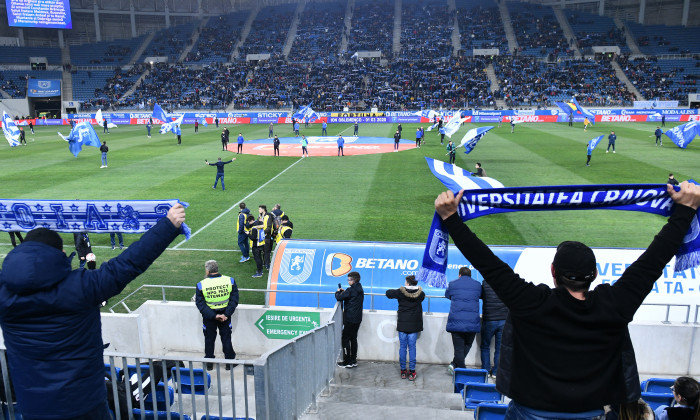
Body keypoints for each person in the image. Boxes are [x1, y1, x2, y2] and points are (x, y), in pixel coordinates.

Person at [433, 183, 700, 418]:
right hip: (590, 414)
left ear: (553, 272)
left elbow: (487, 264)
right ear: (594, 275)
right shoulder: (615, 304)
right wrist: (685, 211)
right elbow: (653, 261)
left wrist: (451, 218)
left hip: (529, 413)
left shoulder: (530, 301)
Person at [0, 204, 186, 420]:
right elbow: (129, 263)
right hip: (84, 404)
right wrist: (169, 225)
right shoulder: (83, 286)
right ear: (59, 254)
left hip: (33, 407)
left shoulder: (4, 295)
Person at [195, 260, 239, 370]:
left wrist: (214, 316)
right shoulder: (230, 280)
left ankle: (209, 363)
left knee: (209, 339)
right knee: (226, 338)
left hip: (209, 317)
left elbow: (200, 304)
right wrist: (226, 314)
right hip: (225, 316)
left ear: (208, 270)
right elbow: (234, 300)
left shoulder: (201, 284)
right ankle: (229, 362)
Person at [385, 275, 424, 381]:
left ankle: (403, 371)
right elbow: (422, 297)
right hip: (414, 325)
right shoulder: (421, 294)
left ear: (407, 283)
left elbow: (388, 293)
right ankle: (412, 371)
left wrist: (399, 289)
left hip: (402, 324)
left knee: (402, 347)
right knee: (412, 348)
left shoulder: (400, 292)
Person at [445, 266, 481, 372]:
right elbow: (480, 295)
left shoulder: (452, 283)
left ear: (459, 275)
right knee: (468, 344)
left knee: (458, 349)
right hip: (473, 322)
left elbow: (447, 295)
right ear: (470, 275)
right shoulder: (477, 285)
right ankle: (458, 366)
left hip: (456, 322)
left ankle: (460, 369)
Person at [335, 271, 364, 368]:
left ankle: (347, 361)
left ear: (353, 280)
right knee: (353, 338)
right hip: (357, 319)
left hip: (349, 319)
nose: (348, 281)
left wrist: (338, 291)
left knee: (345, 339)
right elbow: (348, 296)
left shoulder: (350, 290)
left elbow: (339, 297)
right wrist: (345, 292)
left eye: (349, 279)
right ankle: (353, 360)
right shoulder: (360, 288)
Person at [480, 281, 507, 379]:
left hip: (489, 320)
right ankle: (495, 372)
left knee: (485, 346)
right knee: (500, 348)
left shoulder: (485, 283)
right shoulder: (506, 283)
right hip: (503, 320)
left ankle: (485, 371)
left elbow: (481, 295)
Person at [259, 205, 273, 269]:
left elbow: (269, 228)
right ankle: (264, 262)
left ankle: (267, 264)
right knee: (262, 251)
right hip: (261, 237)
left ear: (263, 209)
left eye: (260, 209)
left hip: (267, 236)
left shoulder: (268, 216)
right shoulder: (260, 216)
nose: (259, 210)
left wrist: (262, 233)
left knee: (266, 251)